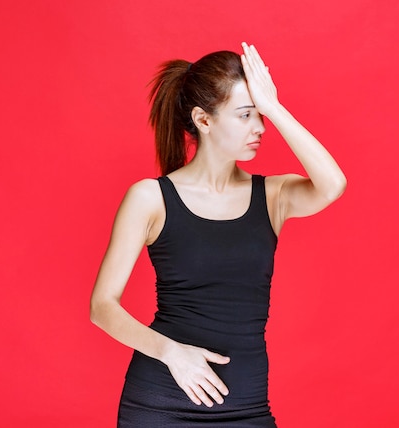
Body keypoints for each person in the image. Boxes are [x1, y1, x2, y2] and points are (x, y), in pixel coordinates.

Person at [90, 42, 347, 427]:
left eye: (260, 114)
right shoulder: (151, 198)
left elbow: (333, 185)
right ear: (203, 120)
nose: (259, 127)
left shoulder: (273, 196)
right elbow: (102, 307)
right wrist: (172, 353)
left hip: (248, 408)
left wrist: (273, 105)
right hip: (161, 406)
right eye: (245, 115)